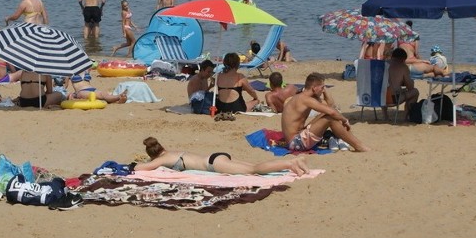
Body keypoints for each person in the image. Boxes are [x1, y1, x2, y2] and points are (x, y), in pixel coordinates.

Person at [134, 137, 310, 176]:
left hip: (213, 164)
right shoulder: (171, 152)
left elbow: (139, 168)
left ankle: (290, 163)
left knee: (255, 170)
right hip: (215, 156)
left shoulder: (161, 159)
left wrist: (145, 163)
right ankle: (292, 161)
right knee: (255, 167)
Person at [281, 73, 369, 152]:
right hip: (296, 143)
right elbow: (332, 112)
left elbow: (330, 106)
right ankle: (359, 146)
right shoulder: (305, 99)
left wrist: (325, 91)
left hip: (297, 137)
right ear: (314, 88)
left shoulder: (305, 97)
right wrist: (345, 120)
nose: (323, 90)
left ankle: (343, 137)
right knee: (330, 118)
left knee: (327, 114)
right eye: (322, 88)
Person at [387, 48, 420, 119]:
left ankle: (385, 115)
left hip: (378, 98)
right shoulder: (403, 67)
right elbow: (411, 87)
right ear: (403, 60)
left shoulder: (382, 64)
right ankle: (405, 116)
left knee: (386, 90)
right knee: (415, 92)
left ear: (392, 56)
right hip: (392, 100)